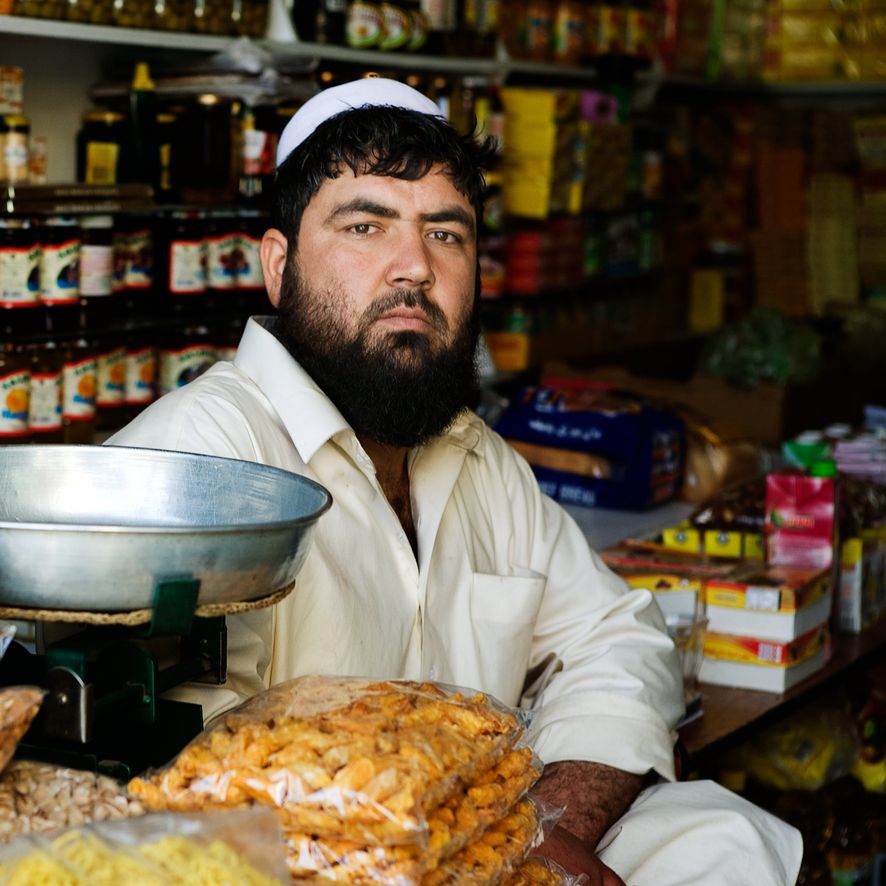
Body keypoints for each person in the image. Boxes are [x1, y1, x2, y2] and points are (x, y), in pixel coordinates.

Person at [110, 77, 802, 884]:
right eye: (365, 225)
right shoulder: (198, 461)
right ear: (278, 264)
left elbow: (619, 639)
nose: (413, 268)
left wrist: (543, 825)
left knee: (728, 837)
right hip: (304, 866)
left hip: (491, 828)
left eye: (446, 234)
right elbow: (206, 778)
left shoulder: (477, 460)